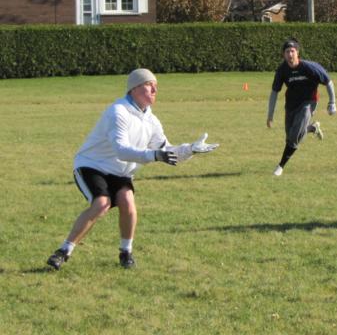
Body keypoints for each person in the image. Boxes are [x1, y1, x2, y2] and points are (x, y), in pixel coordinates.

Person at [46, 69, 218, 270]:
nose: (154, 90)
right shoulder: (118, 112)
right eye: (149, 85)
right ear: (134, 88)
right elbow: (121, 150)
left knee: (127, 201)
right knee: (102, 203)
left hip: (121, 171)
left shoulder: (151, 120)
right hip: (92, 164)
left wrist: (190, 149)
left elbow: (166, 151)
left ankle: (126, 253)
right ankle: (63, 251)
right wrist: (154, 155)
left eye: (156, 86)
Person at [267, 38, 336, 176]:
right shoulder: (282, 70)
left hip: (309, 102)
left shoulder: (310, 67)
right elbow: (274, 91)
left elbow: (328, 81)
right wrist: (270, 114)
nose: (290, 54)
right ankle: (312, 128)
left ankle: (280, 166)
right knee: (291, 136)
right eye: (287, 52)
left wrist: (332, 102)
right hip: (291, 105)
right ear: (283, 54)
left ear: (297, 52)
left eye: (292, 51)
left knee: (294, 137)